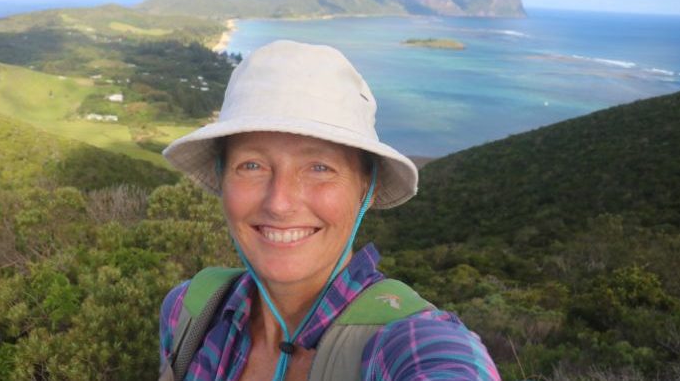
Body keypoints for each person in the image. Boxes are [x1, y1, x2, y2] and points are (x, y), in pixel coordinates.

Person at [159, 40, 500, 380]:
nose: (280, 203)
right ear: (222, 178)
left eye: (319, 167)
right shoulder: (190, 312)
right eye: (251, 165)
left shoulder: (408, 343)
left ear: (367, 187)